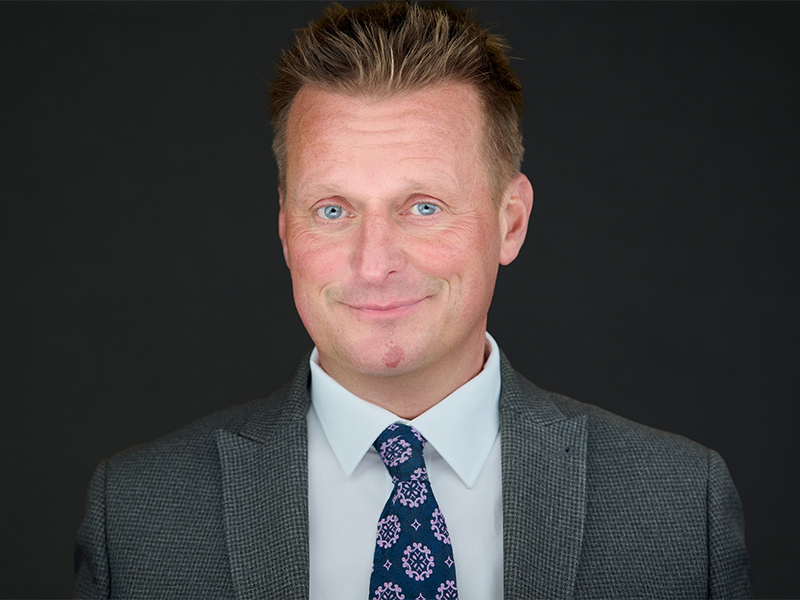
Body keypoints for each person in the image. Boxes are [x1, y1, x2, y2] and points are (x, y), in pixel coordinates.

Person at [73, 2, 752, 598]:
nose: (375, 264)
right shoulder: (138, 515)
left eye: (423, 206)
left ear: (511, 222)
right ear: (285, 229)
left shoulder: (676, 508)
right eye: (333, 210)